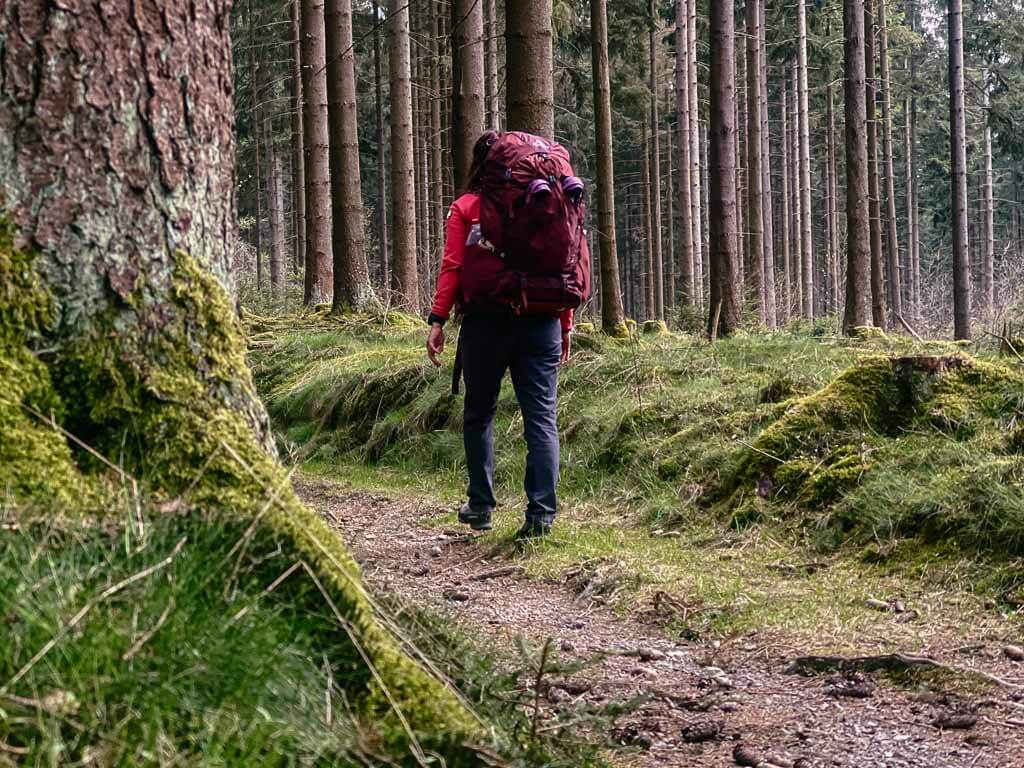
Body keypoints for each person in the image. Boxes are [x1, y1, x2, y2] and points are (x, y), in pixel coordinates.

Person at [425, 131, 578, 539]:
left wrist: (437, 319)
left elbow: (453, 267)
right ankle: (541, 516)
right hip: (542, 319)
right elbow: (560, 264)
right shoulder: (545, 200)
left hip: (485, 322)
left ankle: (481, 505)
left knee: (479, 413)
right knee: (541, 417)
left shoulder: (467, 207)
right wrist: (564, 323)